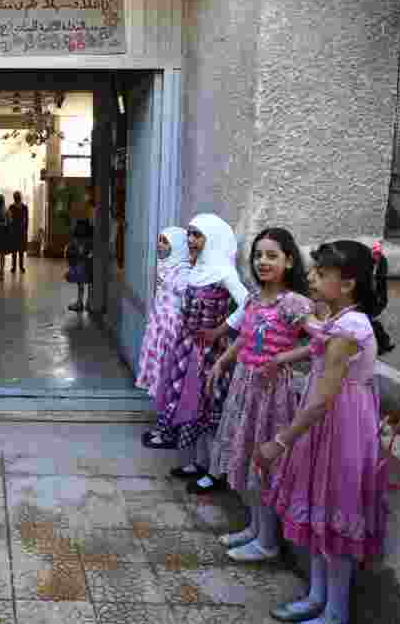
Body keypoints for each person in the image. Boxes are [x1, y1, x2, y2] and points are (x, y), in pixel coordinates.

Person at [257, 240, 394, 624]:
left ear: (348, 283)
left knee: (335, 516)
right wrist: (285, 354)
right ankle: (317, 597)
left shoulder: (351, 326)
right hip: (329, 425)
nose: (312, 278)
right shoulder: (342, 318)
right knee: (320, 513)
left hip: (339, 426)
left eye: (320, 273)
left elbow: (320, 400)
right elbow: (319, 339)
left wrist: (278, 443)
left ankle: (335, 612)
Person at [201, 228, 313, 564]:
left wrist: (282, 360)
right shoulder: (252, 298)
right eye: (259, 255)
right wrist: (222, 362)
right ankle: (254, 529)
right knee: (245, 457)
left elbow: (321, 342)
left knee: (263, 467)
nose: (263, 262)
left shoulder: (295, 303)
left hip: (271, 395)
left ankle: (267, 542)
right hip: (243, 388)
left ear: (289, 261)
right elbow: (245, 339)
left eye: (272, 256)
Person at [143, 214, 248, 484]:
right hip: (187, 347)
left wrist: (220, 331)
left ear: (211, 239)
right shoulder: (197, 269)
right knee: (186, 403)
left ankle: (213, 472)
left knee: (207, 406)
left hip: (209, 352)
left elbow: (250, 305)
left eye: (197, 235)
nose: (190, 240)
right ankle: (195, 464)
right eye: (189, 234)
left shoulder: (224, 272)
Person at [135, 227, 191, 396]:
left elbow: (186, 300)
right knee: (158, 363)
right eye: (159, 240)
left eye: (165, 241)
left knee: (168, 364)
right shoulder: (165, 265)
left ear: (179, 246)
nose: (160, 245)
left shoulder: (183, 272)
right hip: (160, 324)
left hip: (171, 328)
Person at [65, 218, 95, 312]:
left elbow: (80, 253)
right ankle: (86, 302)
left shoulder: (81, 241)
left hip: (82, 266)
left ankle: (81, 302)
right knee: (87, 283)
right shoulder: (89, 239)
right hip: (86, 266)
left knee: (82, 283)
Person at [8, 191, 29, 273]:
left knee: (19, 250)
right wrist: (26, 229)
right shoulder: (13, 207)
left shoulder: (23, 207)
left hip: (19, 230)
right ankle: (16, 267)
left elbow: (26, 219)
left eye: (17, 197)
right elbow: (10, 219)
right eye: (16, 197)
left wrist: (26, 229)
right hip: (17, 230)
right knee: (16, 250)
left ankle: (19, 267)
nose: (17, 198)